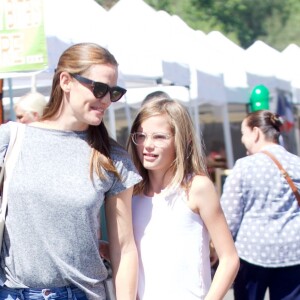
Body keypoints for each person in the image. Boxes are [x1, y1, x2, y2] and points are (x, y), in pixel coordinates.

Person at [0, 43, 142, 300]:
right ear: (65, 81)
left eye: (114, 92)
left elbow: (124, 247)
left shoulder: (112, 158)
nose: (107, 100)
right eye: (99, 89)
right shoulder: (11, 139)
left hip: (80, 294)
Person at [127, 98, 239, 300]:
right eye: (141, 136)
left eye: (159, 137)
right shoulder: (131, 193)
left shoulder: (197, 187)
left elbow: (229, 258)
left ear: (182, 141)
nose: (148, 145)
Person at [220, 110, 300, 300]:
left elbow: (229, 216)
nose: (242, 139)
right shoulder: (297, 163)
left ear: (255, 133)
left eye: (243, 133)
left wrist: (221, 251)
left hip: (252, 251)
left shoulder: (244, 166)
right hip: (294, 250)